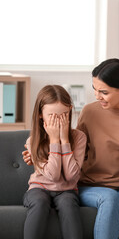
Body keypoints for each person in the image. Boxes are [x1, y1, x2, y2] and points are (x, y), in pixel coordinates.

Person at [24, 58, 119, 239]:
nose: (97, 96)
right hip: (91, 185)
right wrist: (39, 154)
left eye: (104, 92)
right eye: (95, 90)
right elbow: (73, 151)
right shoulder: (90, 111)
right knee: (109, 197)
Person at [23, 85, 87, 239]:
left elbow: (71, 176)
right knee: (39, 202)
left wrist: (64, 139)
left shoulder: (79, 137)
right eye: (51, 116)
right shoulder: (33, 141)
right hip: (39, 188)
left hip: (67, 190)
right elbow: (53, 175)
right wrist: (53, 140)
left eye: (63, 115)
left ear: (70, 110)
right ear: (40, 114)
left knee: (68, 204)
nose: (58, 121)